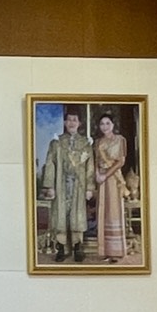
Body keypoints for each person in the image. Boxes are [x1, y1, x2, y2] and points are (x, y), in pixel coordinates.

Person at [38, 108, 93, 262]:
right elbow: (50, 164)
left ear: (79, 123)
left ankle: (77, 247)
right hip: (61, 184)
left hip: (78, 185)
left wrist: (89, 187)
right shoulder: (56, 143)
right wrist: (50, 186)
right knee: (60, 215)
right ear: (64, 122)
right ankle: (61, 248)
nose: (71, 123)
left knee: (77, 215)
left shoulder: (85, 144)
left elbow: (90, 167)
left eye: (75, 120)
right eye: (69, 120)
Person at [93, 112, 130, 262]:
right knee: (103, 211)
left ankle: (116, 252)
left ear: (113, 125)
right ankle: (105, 251)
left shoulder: (120, 140)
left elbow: (121, 162)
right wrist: (97, 174)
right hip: (101, 180)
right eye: (102, 124)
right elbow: (96, 161)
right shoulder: (98, 142)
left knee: (114, 211)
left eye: (108, 123)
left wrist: (105, 175)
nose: (105, 126)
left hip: (114, 179)